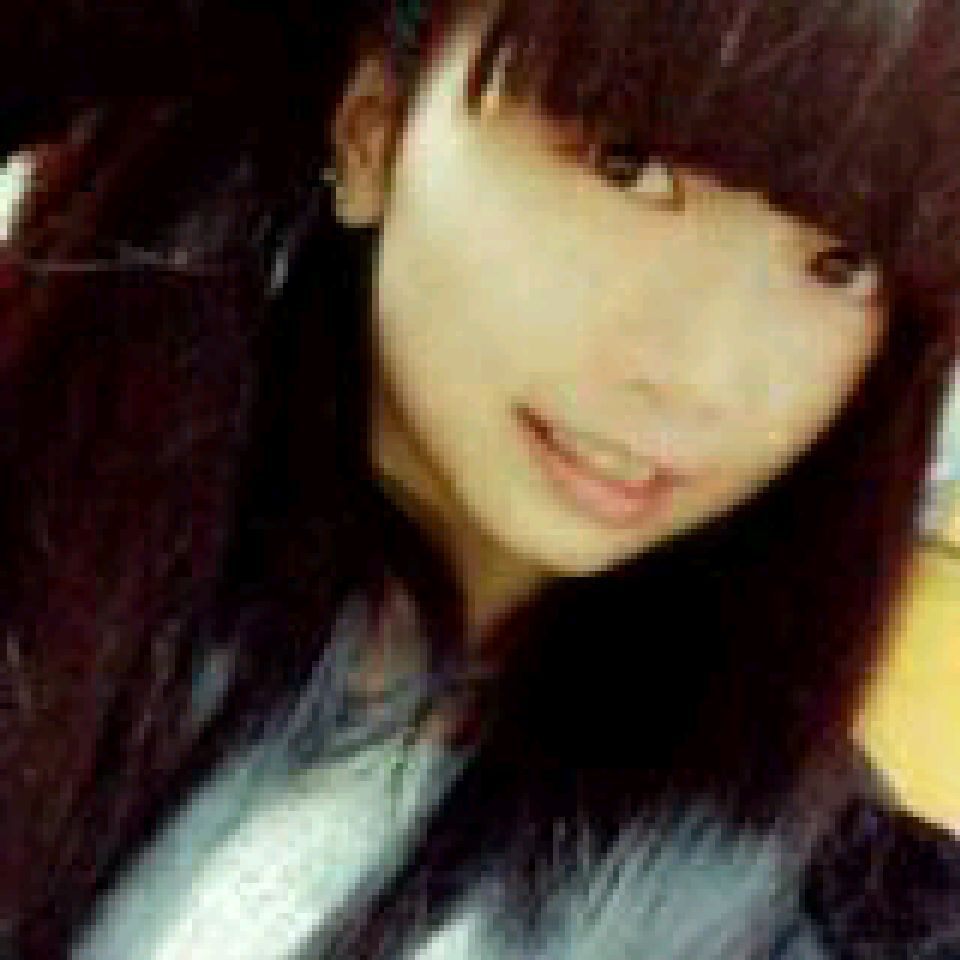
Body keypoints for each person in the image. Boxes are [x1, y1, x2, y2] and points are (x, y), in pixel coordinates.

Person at [0, 0, 957, 956]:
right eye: (626, 166)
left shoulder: (847, 916)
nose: (697, 375)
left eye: (841, 263)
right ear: (373, 129)